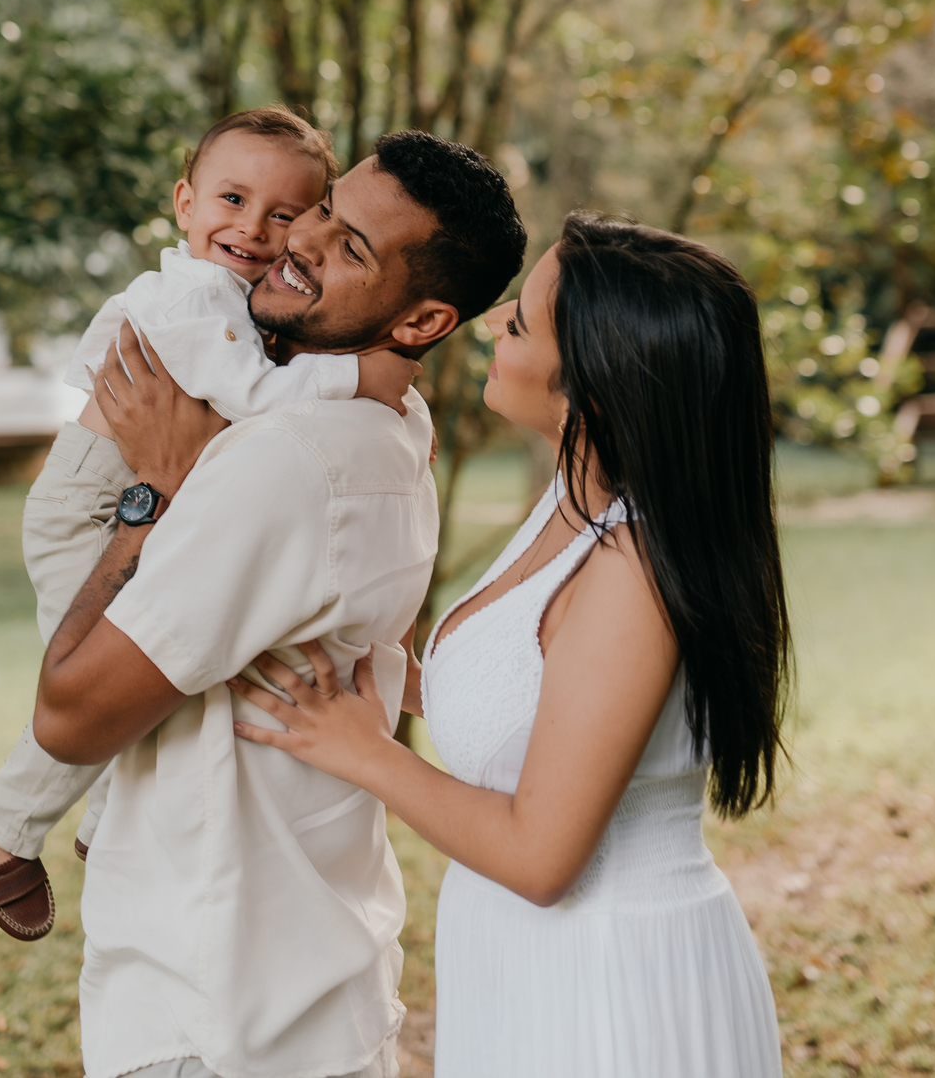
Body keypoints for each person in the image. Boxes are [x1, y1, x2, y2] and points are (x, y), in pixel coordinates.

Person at [231, 213, 791, 1078]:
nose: (491, 322)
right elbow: (534, 699)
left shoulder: (631, 571)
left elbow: (541, 856)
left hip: (612, 984)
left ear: (590, 392)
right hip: (532, 969)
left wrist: (363, 752)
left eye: (521, 323)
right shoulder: (576, 502)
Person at [29, 131, 527, 1078]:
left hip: (209, 1014)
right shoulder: (397, 425)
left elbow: (70, 715)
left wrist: (154, 494)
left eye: (351, 248)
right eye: (327, 210)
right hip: (324, 988)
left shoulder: (285, 458)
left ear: (424, 320)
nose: (299, 239)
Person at [0, 107, 413, 943]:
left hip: (140, 503)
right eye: (232, 199)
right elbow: (248, 396)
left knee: (142, 677)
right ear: (184, 203)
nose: (252, 227)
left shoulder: (244, 299)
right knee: (93, 684)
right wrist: (360, 379)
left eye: (283, 213)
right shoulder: (192, 296)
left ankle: (107, 826)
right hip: (87, 512)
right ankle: (3, 828)